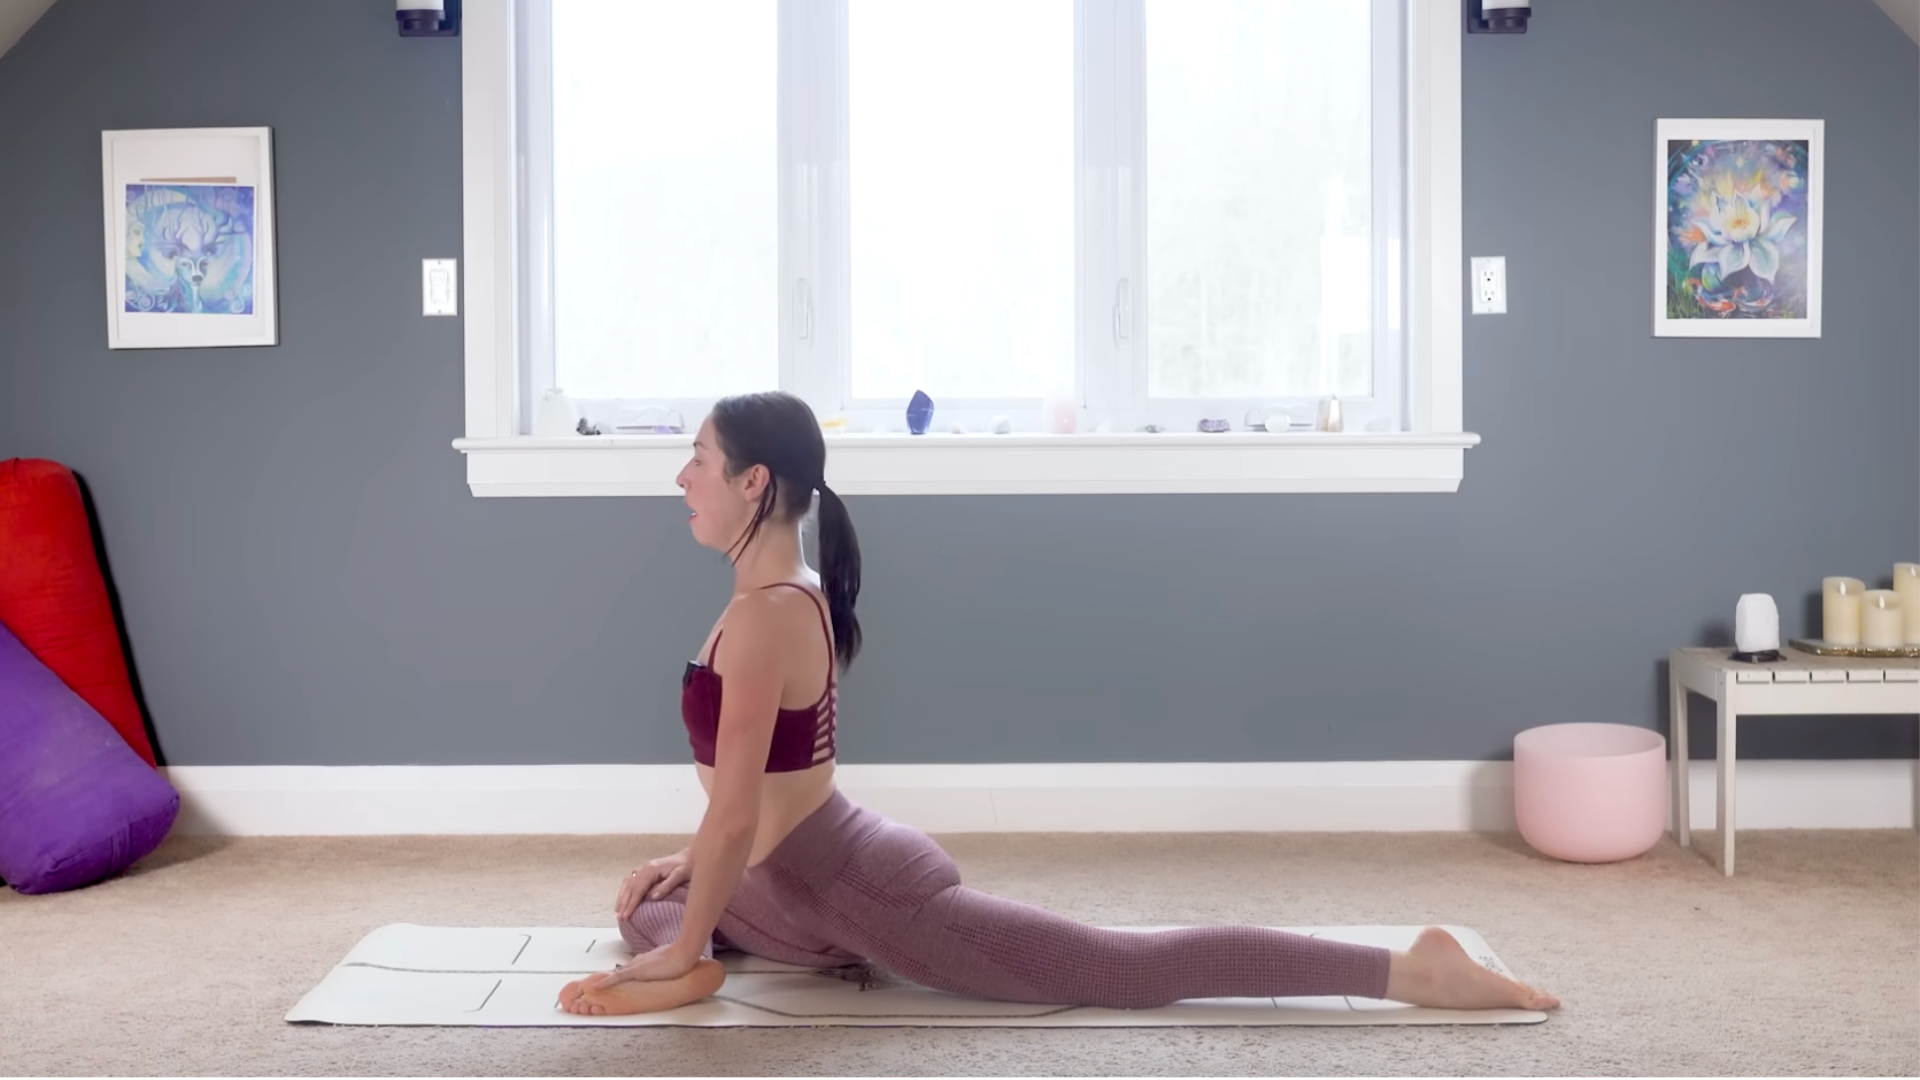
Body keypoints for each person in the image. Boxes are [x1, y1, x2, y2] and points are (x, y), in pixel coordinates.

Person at [558, 391, 1559, 1017]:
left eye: (697, 456)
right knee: (646, 904)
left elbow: (740, 810)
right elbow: (753, 802)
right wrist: (688, 873)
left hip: (862, 888)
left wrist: (689, 954)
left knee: (1124, 970)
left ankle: (1412, 971)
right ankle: (737, 932)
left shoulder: (773, 613)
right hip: (800, 866)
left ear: (754, 482)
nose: (681, 476)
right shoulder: (771, 593)